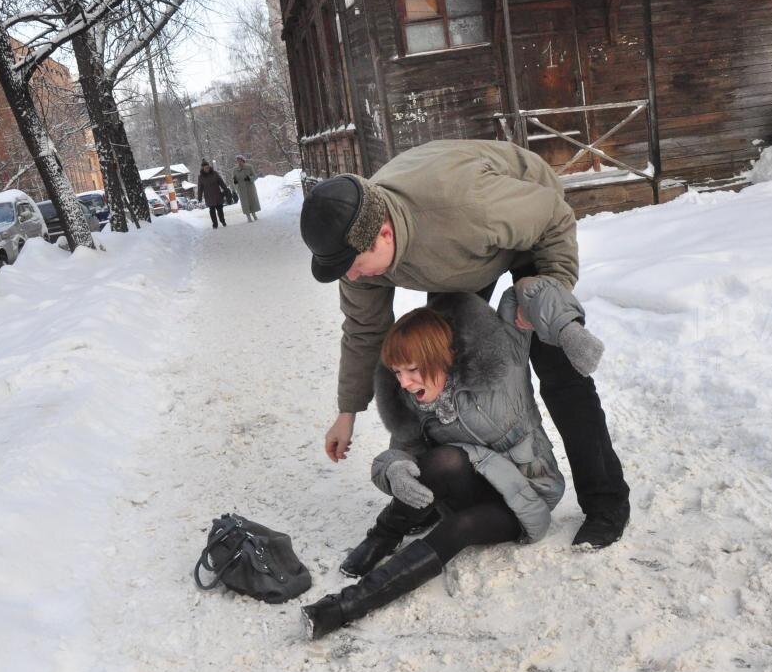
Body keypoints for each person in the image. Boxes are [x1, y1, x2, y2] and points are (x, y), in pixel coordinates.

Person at [299, 139, 630, 549]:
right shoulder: (357, 260)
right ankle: (449, 489)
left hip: (526, 223)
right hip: (457, 264)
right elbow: (365, 332)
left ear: (383, 235)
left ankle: (606, 501)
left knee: (561, 374)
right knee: (443, 376)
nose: (351, 278)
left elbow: (553, 217)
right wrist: (347, 411)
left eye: (352, 266)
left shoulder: (468, 207)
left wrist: (549, 296)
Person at [302, 291, 569, 639]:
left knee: (461, 526)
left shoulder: (504, 364)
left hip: (526, 493)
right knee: (440, 460)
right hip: (473, 484)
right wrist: (393, 470)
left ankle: (344, 606)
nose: (404, 382)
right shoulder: (414, 403)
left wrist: (571, 330)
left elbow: (533, 292)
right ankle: (384, 534)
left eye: (412, 370)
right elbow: (402, 453)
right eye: (397, 372)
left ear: (442, 357)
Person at [196, 159, 231, 229]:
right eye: (205, 168)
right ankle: (215, 224)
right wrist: (199, 197)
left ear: (209, 166)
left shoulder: (215, 173)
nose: (207, 169)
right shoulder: (201, 177)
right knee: (212, 211)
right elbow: (200, 188)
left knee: (220, 209)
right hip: (209, 196)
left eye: (207, 167)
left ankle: (223, 221)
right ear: (202, 168)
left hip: (217, 194)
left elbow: (221, 182)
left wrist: (225, 189)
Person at [230, 155, 260, 222]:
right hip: (241, 188)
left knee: (252, 201)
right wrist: (235, 181)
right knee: (245, 203)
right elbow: (233, 179)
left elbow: (255, 176)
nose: (239, 162)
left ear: (243, 160)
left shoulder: (249, 167)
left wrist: (249, 178)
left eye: (240, 160)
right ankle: (248, 216)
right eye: (237, 161)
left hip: (250, 187)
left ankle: (254, 214)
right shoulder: (235, 170)